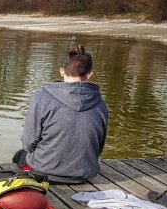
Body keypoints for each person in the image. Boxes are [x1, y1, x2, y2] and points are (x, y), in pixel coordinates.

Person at [14, 44, 109, 184]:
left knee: (19, 156)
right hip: (84, 175)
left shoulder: (41, 98)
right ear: (89, 74)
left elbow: (28, 143)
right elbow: (99, 147)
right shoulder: (101, 105)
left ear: (62, 71)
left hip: (45, 172)